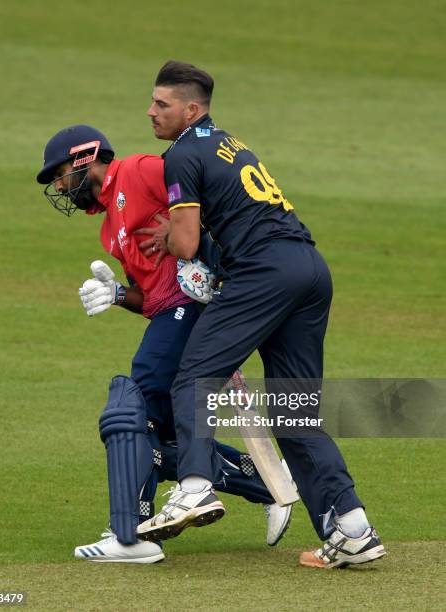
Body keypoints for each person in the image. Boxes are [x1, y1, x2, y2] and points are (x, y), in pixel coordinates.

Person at [136, 61, 386, 569]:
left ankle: (196, 488)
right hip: (310, 269)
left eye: (161, 104)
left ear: (191, 108)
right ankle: (352, 528)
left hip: (264, 272)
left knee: (195, 376)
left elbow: (184, 244)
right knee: (293, 411)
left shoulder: (181, 154)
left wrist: (173, 238)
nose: (151, 112)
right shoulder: (229, 142)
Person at [36, 125, 293, 564]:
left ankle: (130, 537)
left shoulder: (137, 170)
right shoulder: (108, 230)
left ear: (84, 159)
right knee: (160, 441)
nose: (59, 186)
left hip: (195, 305)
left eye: (59, 174)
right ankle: (267, 483)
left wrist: (202, 250)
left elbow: (204, 198)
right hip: (170, 312)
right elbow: (151, 296)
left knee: (130, 408)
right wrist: (119, 295)